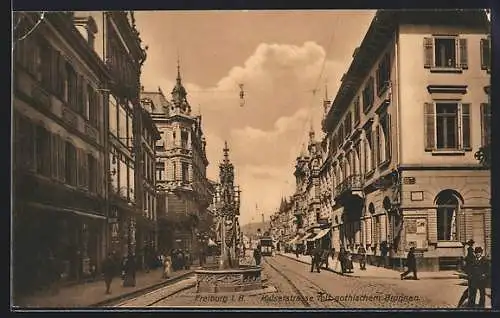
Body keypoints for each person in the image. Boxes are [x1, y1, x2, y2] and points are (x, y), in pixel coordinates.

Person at [457, 240, 475, 307]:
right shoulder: (471, 252)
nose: (472, 244)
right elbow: (470, 262)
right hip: (472, 274)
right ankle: (464, 304)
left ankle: (464, 304)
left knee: (470, 290)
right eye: (471, 244)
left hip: (471, 274)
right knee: (470, 291)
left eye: (472, 244)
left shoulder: (470, 252)